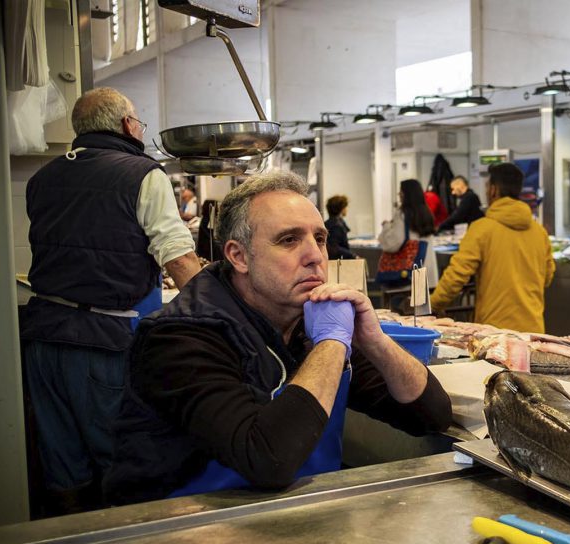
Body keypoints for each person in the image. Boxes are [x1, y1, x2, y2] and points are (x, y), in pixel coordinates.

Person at [103, 172, 452, 505]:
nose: (314, 256)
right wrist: (331, 344)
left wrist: (372, 339)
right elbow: (266, 459)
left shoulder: (306, 320)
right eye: (289, 240)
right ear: (238, 256)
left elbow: (430, 415)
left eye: (319, 238)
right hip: (182, 531)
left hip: (295, 516)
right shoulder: (181, 337)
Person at [21, 86, 202, 514]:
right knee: (119, 457)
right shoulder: (142, 173)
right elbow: (177, 255)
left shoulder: (41, 178)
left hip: (42, 337)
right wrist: (225, 307)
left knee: (61, 461)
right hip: (101, 343)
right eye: (138, 119)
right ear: (126, 125)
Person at [429, 163, 555, 333]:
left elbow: (457, 275)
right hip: (533, 331)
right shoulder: (540, 233)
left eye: (487, 187)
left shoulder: (481, 229)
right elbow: (547, 277)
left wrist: (434, 303)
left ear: (493, 190)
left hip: (494, 332)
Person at [376, 178, 439, 290]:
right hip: (427, 270)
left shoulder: (402, 214)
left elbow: (393, 244)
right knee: (424, 306)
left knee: (403, 306)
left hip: (409, 274)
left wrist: (386, 226)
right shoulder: (426, 212)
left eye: (401, 191)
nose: (399, 194)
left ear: (406, 194)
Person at [324, 194, 356, 260]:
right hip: (338, 261)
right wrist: (352, 255)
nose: (347, 209)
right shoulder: (337, 226)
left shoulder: (328, 223)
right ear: (341, 208)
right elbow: (334, 247)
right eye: (346, 207)